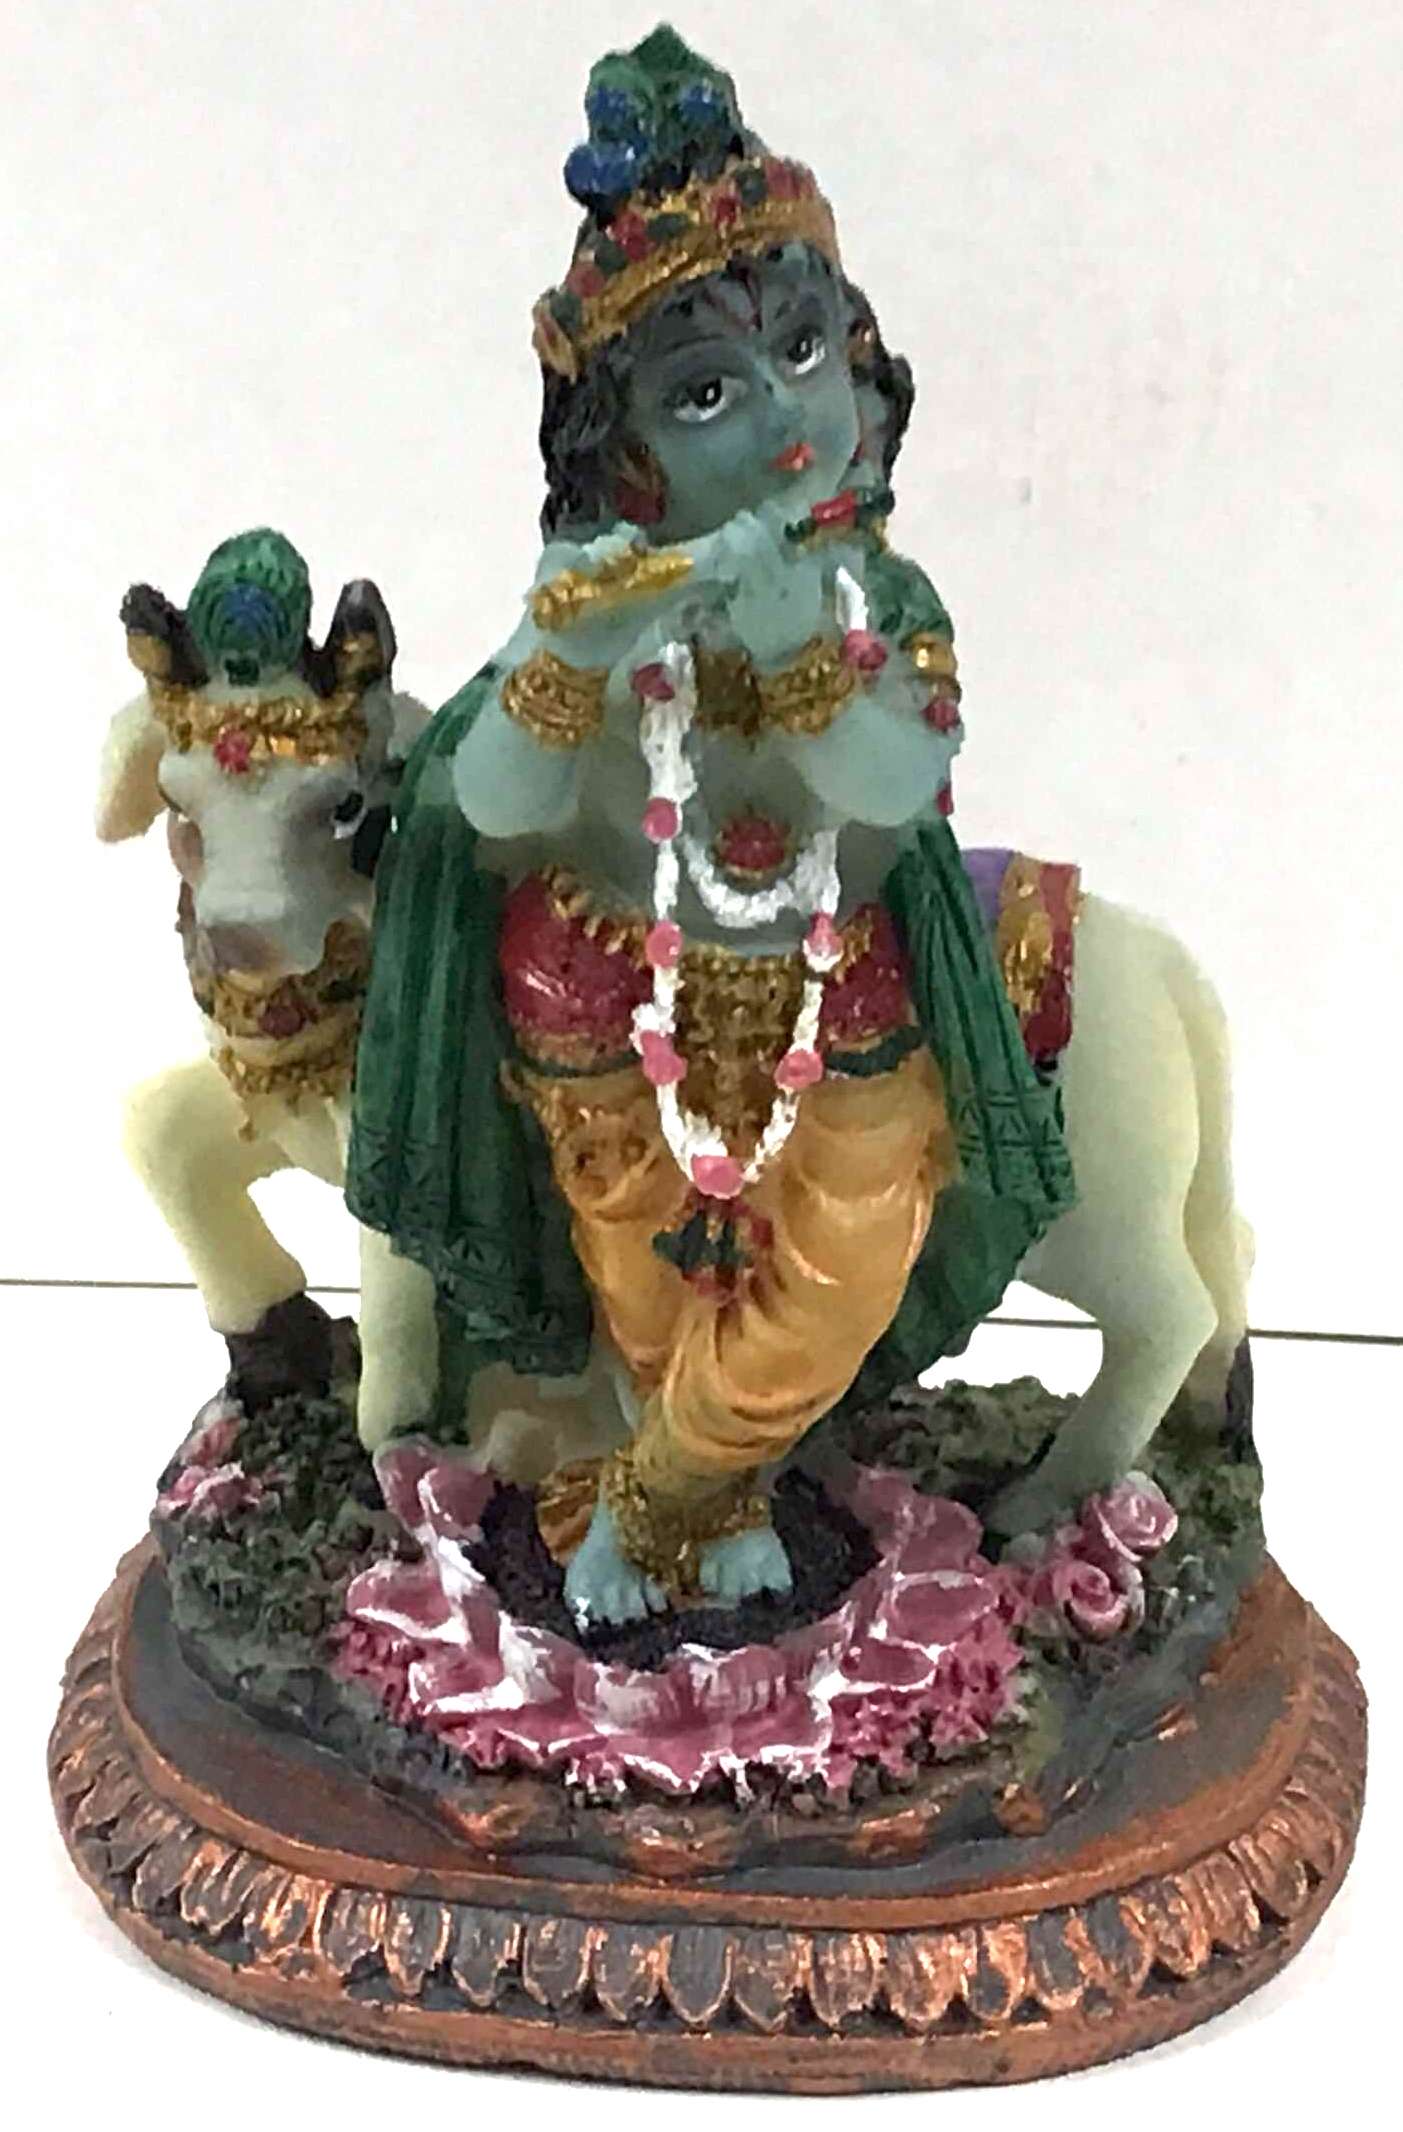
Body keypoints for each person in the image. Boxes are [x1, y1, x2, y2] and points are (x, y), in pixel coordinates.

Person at [346, 25, 1075, 1625]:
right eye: (704, 394)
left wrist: (806, 655)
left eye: (806, 351)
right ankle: (719, 1497)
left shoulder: (882, 602)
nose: (780, 420)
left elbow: (896, 790)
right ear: (623, 456)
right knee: (646, 1282)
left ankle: (649, 1492)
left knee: (838, 1275)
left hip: (843, 996)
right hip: (606, 1003)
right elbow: (489, 805)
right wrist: (564, 664)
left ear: (863, 360)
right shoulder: (611, 605)